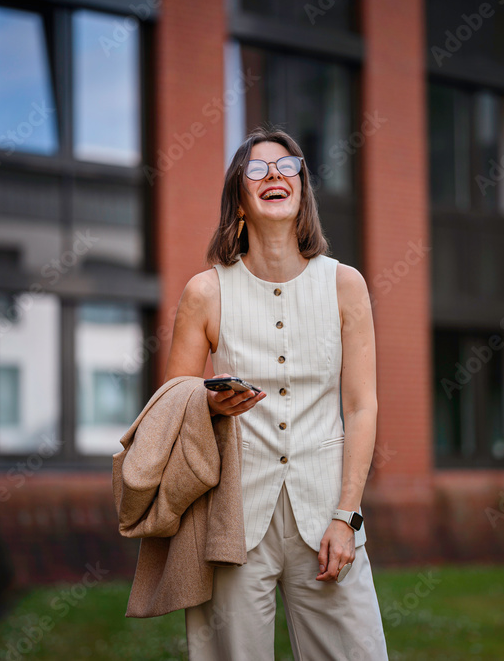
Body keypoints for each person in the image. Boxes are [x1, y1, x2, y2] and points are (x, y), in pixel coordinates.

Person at [163, 124, 389, 660]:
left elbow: (361, 407)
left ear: (302, 191)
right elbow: (172, 403)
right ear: (238, 198)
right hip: (232, 521)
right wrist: (209, 402)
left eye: (288, 167)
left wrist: (347, 515)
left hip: (327, 515)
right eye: (257, 168)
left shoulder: (344, 285)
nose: (274, 175)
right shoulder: (206, 291)